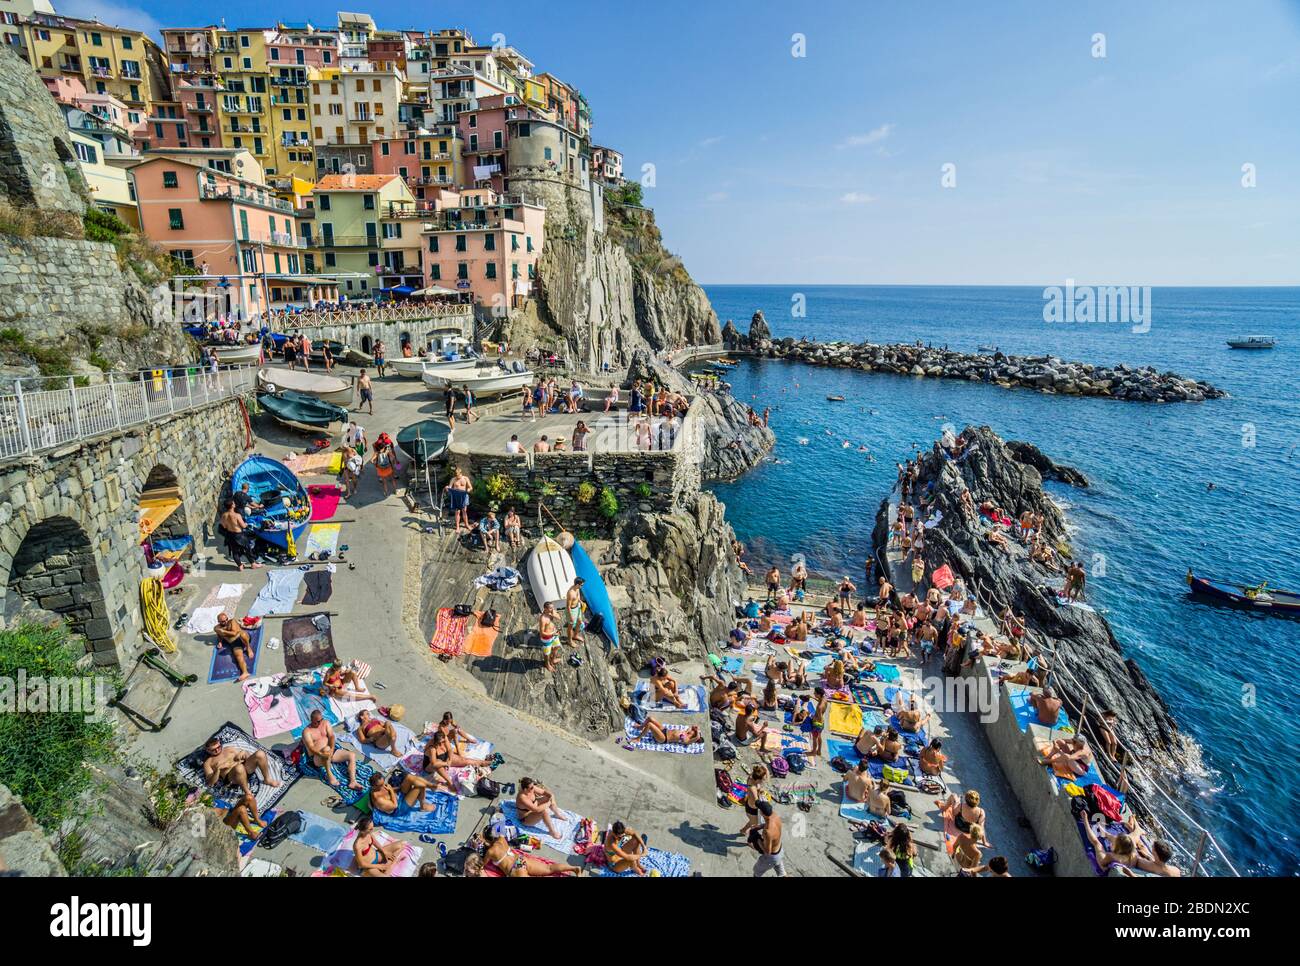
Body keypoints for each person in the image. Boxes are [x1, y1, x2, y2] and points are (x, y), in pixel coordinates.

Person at [301, 709, 363, 790]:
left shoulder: (325, 723)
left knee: (351, 755)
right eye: (317, 721)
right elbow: (311, 748)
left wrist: (332, 749)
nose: (320, 723)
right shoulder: (307, 731)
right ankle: (330, 775)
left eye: (321, 720)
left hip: (330, 752)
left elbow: (331, 736)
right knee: (326, 749)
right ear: (312, 720)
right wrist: (321, 754)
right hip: (317, 757)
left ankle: (353, 782)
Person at [484, 826, 580, 877]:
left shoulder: (491, 852)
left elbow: (482, 864)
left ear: (489, 840)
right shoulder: (501, 837)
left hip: (514, 870)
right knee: (549, 868)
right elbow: (499, 827)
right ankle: (574, 868)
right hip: (520, 860)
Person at [201, 737, 281, 795]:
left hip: (245, 768)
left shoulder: (229, 749)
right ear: (208, 750)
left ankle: (267, 779)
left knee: (260, 754)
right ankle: (247, 792)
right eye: (214, 750)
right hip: (233, 777)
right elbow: (210, 783)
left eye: (219, 747)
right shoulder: (208, 763)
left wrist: (244, 753)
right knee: (239, 768)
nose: (217, 750)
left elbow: (246, 758)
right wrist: (218, 769)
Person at [219, 499, 260, 571]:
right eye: (234, 503)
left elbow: (224, 526)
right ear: (232, 506)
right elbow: (243, 526)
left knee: (235, 552)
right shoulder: (237, 515)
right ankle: (253, 564)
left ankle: (240, 566)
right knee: (247, 549)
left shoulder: (223, 515)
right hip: (239, 535)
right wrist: (246, 524)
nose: (235, 504)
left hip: (230, 535)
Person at [214, 612, 255, 681]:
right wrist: (220, 642)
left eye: (226, 619)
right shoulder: (217, 628)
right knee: (238, 656)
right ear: (219, 622)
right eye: (223, 621)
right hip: (234, 643)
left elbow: (234, 633)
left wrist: (223, 631)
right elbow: (219, 635)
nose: (226, 621)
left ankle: (248, 648)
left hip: (243, 638)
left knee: (242, 634)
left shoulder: (232, 621)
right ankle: (245, 672)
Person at [750, 801, 785, 877]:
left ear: (762, 813)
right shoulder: (775, 815)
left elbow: (767, 851)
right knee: (782, 874)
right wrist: (760, 826)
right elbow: (768, 822)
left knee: (756, 872)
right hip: (780, 850)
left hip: (772, 857)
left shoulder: (767, 832)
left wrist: (758, 840)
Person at [628, 715, 704, 746]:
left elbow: (697, 737)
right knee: (650, 718)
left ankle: (638, 738)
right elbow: (693, 726)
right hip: (664, 730)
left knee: (650, 725)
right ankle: (641, 727)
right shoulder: (687, 732)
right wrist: (697, 729)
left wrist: (698, 732)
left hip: (663, 738)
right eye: (693, 731)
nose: (693, 731)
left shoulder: (687, 740)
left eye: (694, 732)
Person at [739, 765, 769, 835]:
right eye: (763, 779)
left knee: (753, 822)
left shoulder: (751, 777)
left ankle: (743, 830)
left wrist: (766, 769)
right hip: (752, 809)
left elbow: (766, 778)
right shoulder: (753, 788)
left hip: (750, 804)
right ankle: (749, 838)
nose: (764, 780)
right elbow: (757, 802)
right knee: (755, 825)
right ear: (758, 780)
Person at [445, 466, 472, 534]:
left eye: (458, 475)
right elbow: (449, 488)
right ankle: (457, 527)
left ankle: (466, 524)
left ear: (461, 473)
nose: (457, 477)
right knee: (457, 512)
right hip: (456, 497)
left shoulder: (465, 478)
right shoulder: (453, 479)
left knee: (464, 511)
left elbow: (470, 487)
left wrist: (468, 490)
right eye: (456, 475)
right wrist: (447, 488)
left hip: (464, 496)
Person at [539, 600, 560, 672]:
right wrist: (552, 634)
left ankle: (553, 659)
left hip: (554, 634)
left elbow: (559, 618)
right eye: (551, 608)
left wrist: (554, 614)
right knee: (547, 653)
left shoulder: (551, 613)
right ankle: (547, 664)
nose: (553, 609)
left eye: (553, 608)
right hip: (547, 638)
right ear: (545, 609)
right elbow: (542, 633)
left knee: (557, 646)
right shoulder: (543, 619)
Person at [564, 577, 586, 647]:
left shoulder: (577, 589)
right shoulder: (570, 593)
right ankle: (569, 641)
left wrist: (581, 602)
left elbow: (577, 597)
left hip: (577, 608)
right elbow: (568, 606)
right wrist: (570, 616)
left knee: (579, 622)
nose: (582, 586)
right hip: (572, 610)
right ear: (577, 584)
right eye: (581, 585)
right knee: (570, 626)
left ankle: (575, 635)